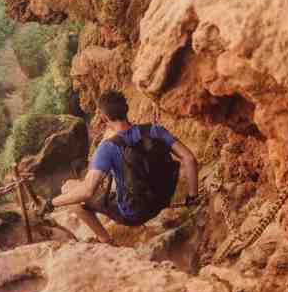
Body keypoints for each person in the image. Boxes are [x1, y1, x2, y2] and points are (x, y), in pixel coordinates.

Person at [41, 91, 199, 244]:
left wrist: (51, 203)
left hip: (133, 214)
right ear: (126, 109)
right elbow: (189, 159)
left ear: (104, 118)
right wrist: (192, 197)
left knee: (74, 200)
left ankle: (106, 240)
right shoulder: (155, 130)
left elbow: (87, 191)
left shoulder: (108, 147)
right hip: (162, 199)